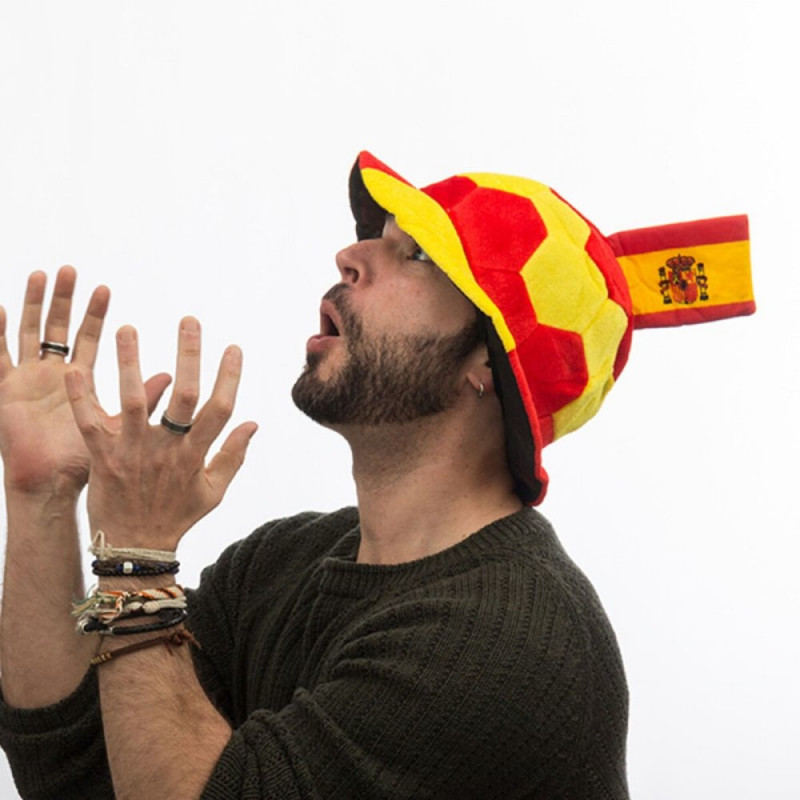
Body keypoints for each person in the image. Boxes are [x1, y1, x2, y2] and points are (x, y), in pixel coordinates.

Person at [0, 152, 754, 799]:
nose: (349, 255)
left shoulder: (508, 643)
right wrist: (42, 498)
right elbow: (82, 768)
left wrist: (137, 557)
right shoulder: (281, 564)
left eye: (416, 254)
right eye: (378, 237)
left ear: (487, 362)